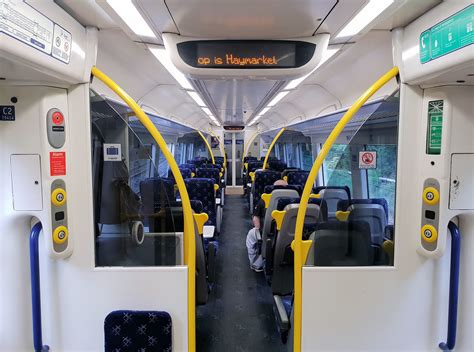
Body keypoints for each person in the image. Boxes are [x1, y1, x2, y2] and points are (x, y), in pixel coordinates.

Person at [246, 179, 288, 272]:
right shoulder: (297, 200)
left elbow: (256, 216)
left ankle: (255, 263)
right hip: (290, 233)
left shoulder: (266, 199)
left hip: (268, 233)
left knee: (251, 235)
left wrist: (258, 230)